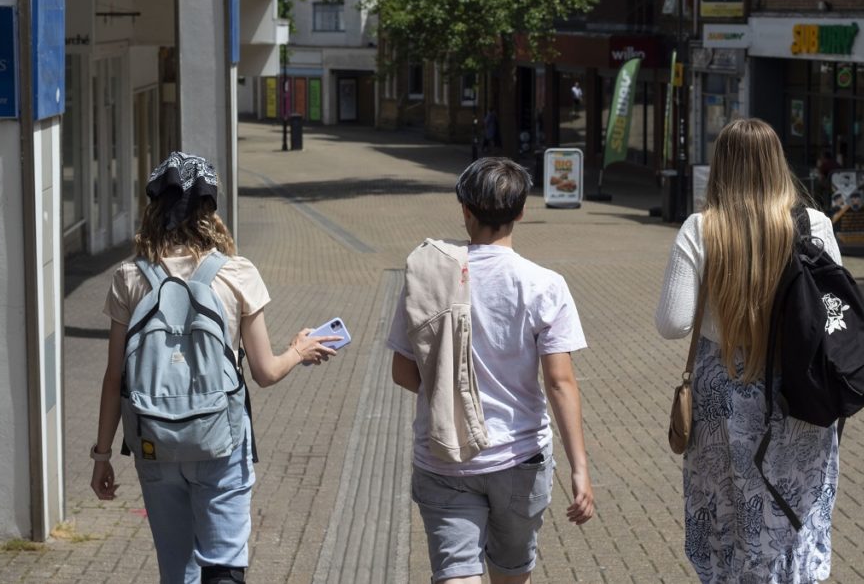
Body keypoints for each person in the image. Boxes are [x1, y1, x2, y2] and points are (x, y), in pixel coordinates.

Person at [90, 151, 339, 584]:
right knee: (223, 565)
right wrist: (298, 349)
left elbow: (115, 378)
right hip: (221, 442)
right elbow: (264, 372)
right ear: (210, 209)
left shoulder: (130, 277)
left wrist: (102, 456)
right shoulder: (236, 274)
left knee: (177, 572)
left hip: (154, 442)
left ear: (155, 207)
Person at [388, 157, 594, 583]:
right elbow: (559, 382)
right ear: (521, 212)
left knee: (455, 574)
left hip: (444, 458)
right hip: (519, 458)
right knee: (511, 573)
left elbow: (403, 373)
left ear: (465, 210)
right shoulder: (544, 284)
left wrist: (449, 392)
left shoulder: (428, 277)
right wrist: (580, 469)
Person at [655, 119, 842, 583]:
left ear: (721, 166)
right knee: (794, 505)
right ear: (777, 163)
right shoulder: (812, 223)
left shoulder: (702, 228)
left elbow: (673, 323)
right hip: (800, 390)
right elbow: (835, 313)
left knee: (727, 508)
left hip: (725, 390)